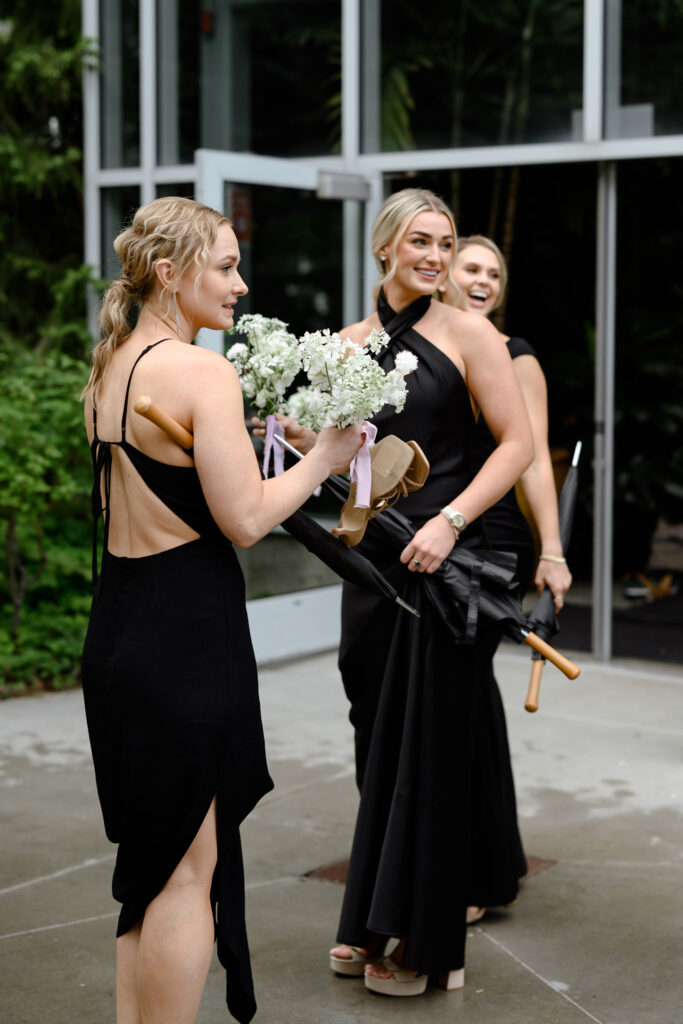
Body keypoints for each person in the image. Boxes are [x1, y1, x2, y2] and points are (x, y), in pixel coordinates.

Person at [80, 196, 362, 1024]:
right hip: (186, 640)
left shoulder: (111, 366)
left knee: (150, 866)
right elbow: (242, 520)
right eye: (226, 266)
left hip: (121, 630)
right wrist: (328, 459)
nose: (241, 284)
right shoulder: (203, 371)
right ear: (169, 275)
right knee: (184, 875)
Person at [264, 189, 534, 997]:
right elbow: (351, 458)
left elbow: (518, 444)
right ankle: (371, 919)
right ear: (384, 247)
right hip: (373, 566)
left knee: (431, 755)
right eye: (419, 241)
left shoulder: (473, 334)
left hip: (447, 569)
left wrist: (449, 521)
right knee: (376, 740)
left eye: (444, 243)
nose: (434, 255)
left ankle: (425, 944)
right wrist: (295, 436)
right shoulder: (348, 345)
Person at [442, 233, 572, 922]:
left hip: (490, 540)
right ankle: (482, 857)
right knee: (453, 701)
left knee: (464, 699)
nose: (483, 279)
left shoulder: (513, 356)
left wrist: (550, 550)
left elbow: (530, 461)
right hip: (431, 540)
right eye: (471, 267)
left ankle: (481, 872)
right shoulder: (433, 346)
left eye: (493, 272)